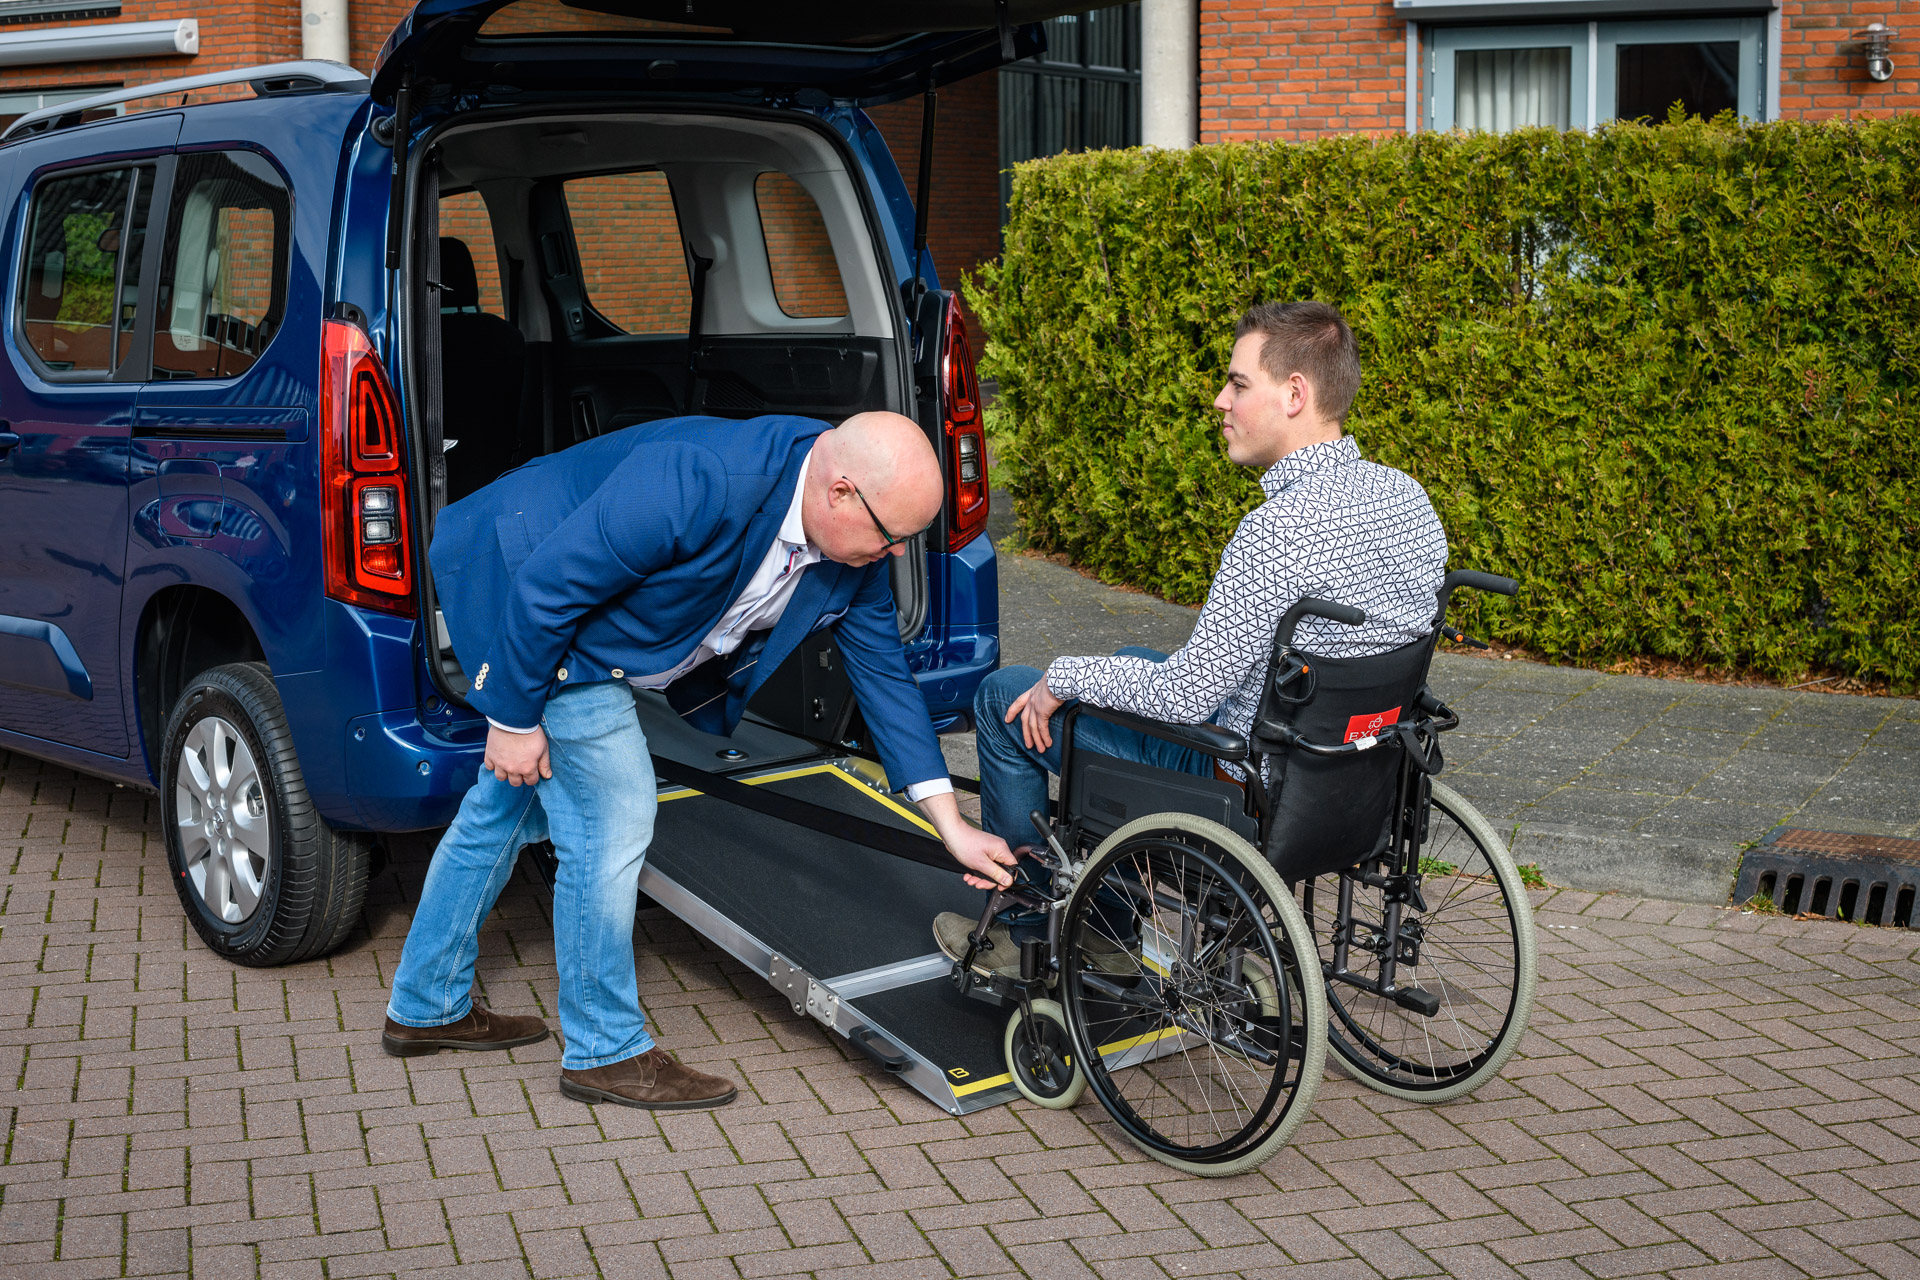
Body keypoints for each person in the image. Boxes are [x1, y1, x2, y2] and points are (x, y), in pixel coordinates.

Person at [384, 411, 1017, 1110]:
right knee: (615, 812)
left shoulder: (853, 553)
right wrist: (512, 717)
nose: (897, 553)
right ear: (839, 492)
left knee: (504, 809)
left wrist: (948, 823)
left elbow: (885, 681)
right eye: (891, 534)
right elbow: (550, 585)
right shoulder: (702, 480)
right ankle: (604, 1051)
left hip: (589, 618)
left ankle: (425, 1004)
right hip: (526, 584)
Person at [933, 301, 1448, 970]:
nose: (1219, 401)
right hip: (1348, 773)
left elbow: (1183, 696)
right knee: (1124, 663)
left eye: (1237, 384)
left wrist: (1060, 675)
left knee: (1006, 700)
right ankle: (1107, 911)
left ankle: (1040, 926)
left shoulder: (1277, 533)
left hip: (1242, 782)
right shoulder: (1405, 498)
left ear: (1295, 394)